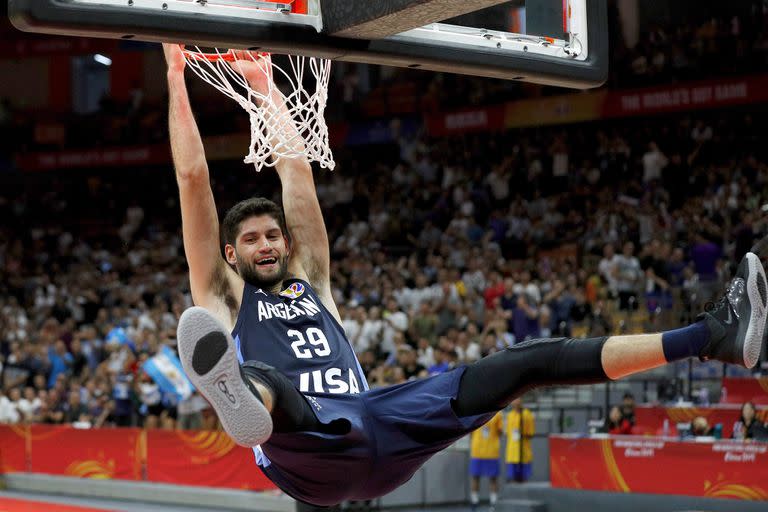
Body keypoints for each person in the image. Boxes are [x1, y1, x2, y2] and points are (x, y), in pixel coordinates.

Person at [163, 43, 768, 507]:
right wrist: (174, 71)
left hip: (377, 426)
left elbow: (295, 172)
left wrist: (266, 86)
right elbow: (193, 181)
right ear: (232, 255)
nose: (266, 243)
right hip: (302, 452)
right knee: (265, 379)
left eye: (273, 235)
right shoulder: (222, 297)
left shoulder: (312, 279)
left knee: (525, 363)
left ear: (287, 245)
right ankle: (240, 397)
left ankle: (710, 337)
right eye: (250, 240)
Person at [468, 411, 504, 511]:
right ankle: (474, 502)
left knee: (493, 478)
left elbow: (500, 432)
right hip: (477, 451)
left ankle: (493, 503)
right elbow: (470, 432)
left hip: (491, 451)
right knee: (475, 477)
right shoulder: (475, 411)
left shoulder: (498, 414)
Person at [505, 399, 535, 483]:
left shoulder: (527, 414)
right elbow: (508, 433)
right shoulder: (510, 415)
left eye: (517, 400)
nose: (515, 402)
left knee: (524, 479)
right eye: (513, 400)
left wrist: (523, 434)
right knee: (513, 479)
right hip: (512, 450)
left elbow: (531, 433)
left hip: (523, 450)